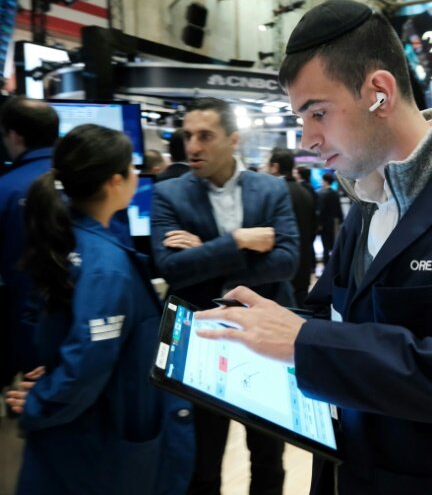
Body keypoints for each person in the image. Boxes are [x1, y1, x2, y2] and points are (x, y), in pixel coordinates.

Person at [194, 0, 432, 495]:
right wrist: (255, 333)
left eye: (317, 113)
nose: (308, 140)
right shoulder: (370, 198)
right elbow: (332, 316)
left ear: (379, 93)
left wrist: (304, 342)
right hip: (349, 470)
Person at [4, 124, 194, 494]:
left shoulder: (70, 239)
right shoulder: (106, 266)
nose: (137, 176)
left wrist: (50, 376)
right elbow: (85, 365)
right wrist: (41, 401)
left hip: (83, 435)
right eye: (132, 168)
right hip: (95, 447)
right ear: (114, 181)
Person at [150, 97, 299, 495]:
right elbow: (171, 268)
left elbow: (287, 261)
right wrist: (235, 242)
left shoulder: (270, 189)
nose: (192, 147)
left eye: (205, 136)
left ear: (233, 140)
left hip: (266, 339)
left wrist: (206, 251)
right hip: (201, 340)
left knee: (268, 456)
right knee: (203, 460)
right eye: (187, 136)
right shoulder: (168, 194)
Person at [0, 97, 59, 388]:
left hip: (24, 334)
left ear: (14, 135)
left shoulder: (5, 189)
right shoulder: (87, 183)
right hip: (85, 333)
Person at [268, 148, 317, 307]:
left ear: (275, 167)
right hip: (303, 266)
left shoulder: (273, 193)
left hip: (280, 273)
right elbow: (313, 229)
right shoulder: (305, 192)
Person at [316, 172, 343, 267]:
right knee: (333, 245)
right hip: (334, 223)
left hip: (324, 223)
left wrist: (318, 223)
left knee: (325, 246)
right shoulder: (335, 193)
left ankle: (326, 265)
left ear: (325, 181)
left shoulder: (321, 194)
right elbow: (339, 210)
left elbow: (320, 211)